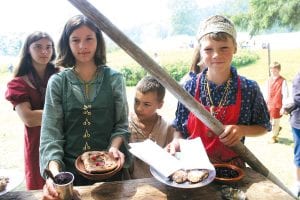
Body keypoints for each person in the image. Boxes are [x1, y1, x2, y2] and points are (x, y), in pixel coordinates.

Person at [39, 15, 131, 198]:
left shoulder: (114, 79)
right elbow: (51, 135)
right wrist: (56, 175)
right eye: (75, 40)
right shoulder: (57, 82)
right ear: (67, 43)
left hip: (110, 173)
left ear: (98, 40)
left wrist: (114, 147)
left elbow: (121, 125)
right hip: (70, 176)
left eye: (89, 38)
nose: (83, 46)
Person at [169, 15, 271, 168]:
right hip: (193, 168)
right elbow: (179, 128)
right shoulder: (189, 87)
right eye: (208, 49)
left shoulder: (249, 89)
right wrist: (176, 141)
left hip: (231, 169)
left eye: (224, 48)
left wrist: (241, 130)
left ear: (235, 47)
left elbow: (263, 126)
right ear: (200, 51)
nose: (216, 55)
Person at [5, 31, 57, 190]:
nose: (44, 51)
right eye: (38, 47)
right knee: (40, 189)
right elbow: (29, 118)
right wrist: (64, 113)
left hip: (63, 139)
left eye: (49, 47)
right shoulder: (18, 83)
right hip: (37, 143)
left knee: (67, 185)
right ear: (28, 49)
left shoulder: (61, 75)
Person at [128, 76, 175, 179]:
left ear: (160, 105)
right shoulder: (125, 126)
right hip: (130, 186)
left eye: (146, 104)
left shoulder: (167, 128)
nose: (139, 108)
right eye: (136, 101)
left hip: (160, 185)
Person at [265, 62, 289, 143]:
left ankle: (273, 137)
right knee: (270, 121)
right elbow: (266, 92)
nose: (273, 71)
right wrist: (265, 103)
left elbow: (285, 94)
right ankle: (277, 129)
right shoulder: (268, 80)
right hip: (269, 104)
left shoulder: (283, 81)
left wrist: (284, 106)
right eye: (271, 70)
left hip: (277, 105)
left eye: (275, 70)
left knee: (275, 122)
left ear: (279, 70)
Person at [290, 72, 300, 197]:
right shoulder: (298, 77)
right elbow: (298, 98)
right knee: (299, 155)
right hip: (298, 124)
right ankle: (298, 184)